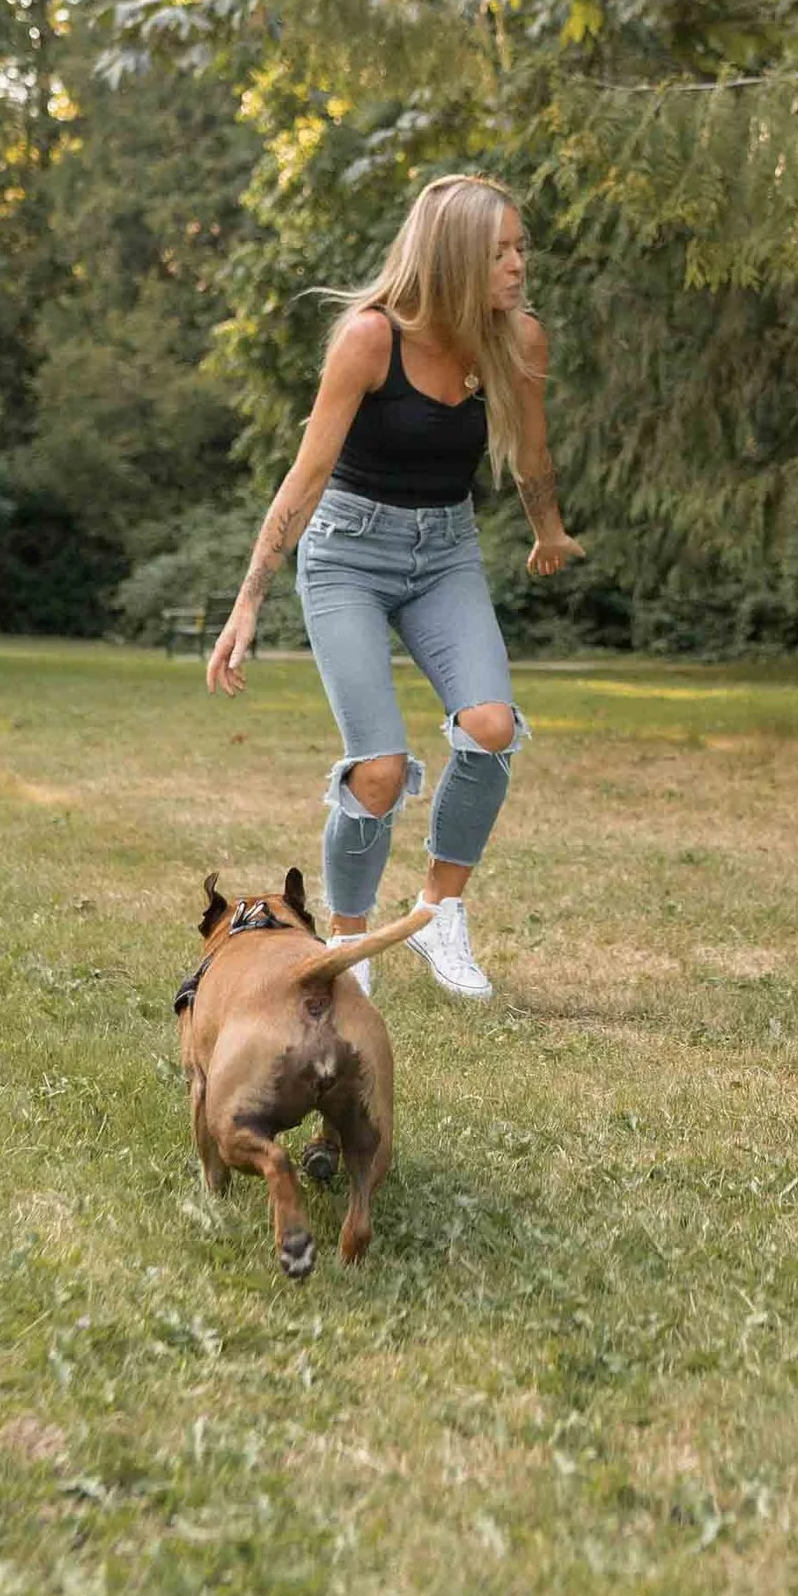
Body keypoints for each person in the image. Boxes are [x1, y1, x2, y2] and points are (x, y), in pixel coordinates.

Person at [205, 174, 581, 998]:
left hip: (445, 552)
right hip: (347, 554)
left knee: (490, 726)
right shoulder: (370, 338)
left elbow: (532, 453)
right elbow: (306, 476)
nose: (518, 265)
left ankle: (439, 912)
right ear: (452, 258)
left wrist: (548, 528)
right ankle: (348, 943)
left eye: (520, 247)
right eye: (499, 252)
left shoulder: (518, 339)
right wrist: (248, 601)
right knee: (377, 770)